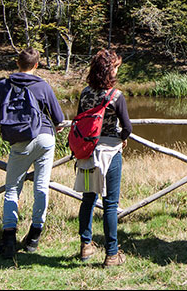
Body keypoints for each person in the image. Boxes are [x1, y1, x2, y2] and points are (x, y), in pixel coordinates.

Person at [0, 47, 65, 258]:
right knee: (41, 186)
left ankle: (8, 240)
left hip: (19, 142)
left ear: (17, 63)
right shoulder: (42, 85)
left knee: (12, 189)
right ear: (37, 65)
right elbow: (58, 117)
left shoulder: (4, 85)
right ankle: (34, 237)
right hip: (44, 138)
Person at [75, 49, 132, 267]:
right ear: (110, 70)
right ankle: (112, 254)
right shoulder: (115, 96)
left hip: (89, 153)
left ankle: (86, 245)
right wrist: (121, 138)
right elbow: (127, 127)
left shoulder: (86, 93)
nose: (118, 70)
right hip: (110, 153)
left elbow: (80, 121)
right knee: (110, 204)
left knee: (88, 199)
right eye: (116, 66)